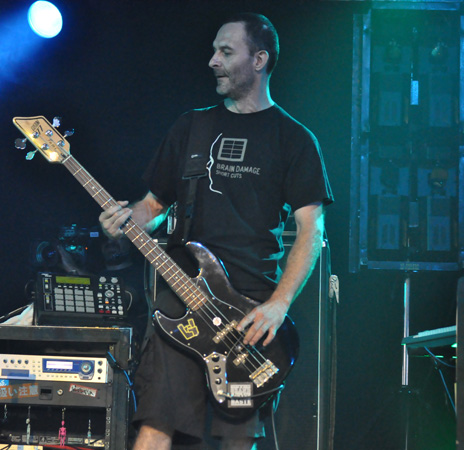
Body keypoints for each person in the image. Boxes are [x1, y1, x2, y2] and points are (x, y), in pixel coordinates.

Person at [99, 12, 333, 450]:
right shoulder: (193, 126)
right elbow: (153, 205)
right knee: (155, 424)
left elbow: (310, 228)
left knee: (237, 440)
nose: (212, 61)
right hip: (181, 301)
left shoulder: (295, 139)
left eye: (226, 52)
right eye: (214, 51)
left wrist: (279, 304)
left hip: (248, 310)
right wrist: (122, 221)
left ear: (259, 59)